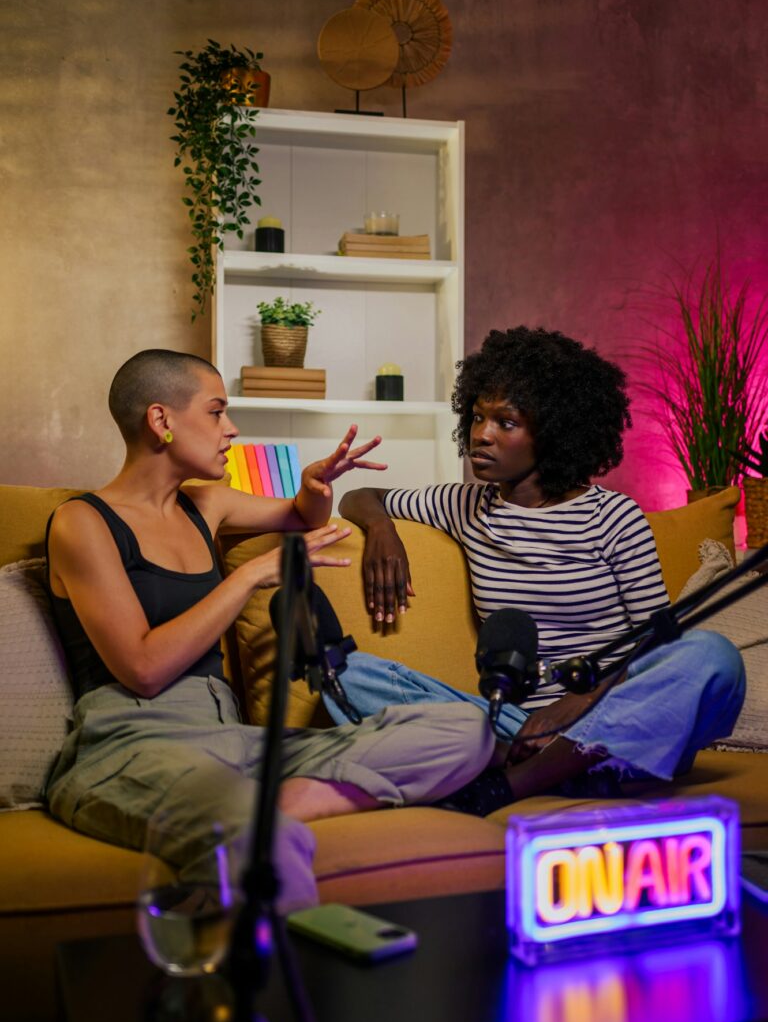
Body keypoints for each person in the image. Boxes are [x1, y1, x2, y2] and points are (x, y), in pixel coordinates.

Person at [44, 349, 494, 911]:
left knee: (468, 730)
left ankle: (271, 805)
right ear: (161, 422)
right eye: (215, 412)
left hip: (233, 742)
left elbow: (301, 517)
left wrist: (315, 486)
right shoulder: (82, 523)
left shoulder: (204, 505)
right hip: (134, 743)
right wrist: (253, 575)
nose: (230, 429)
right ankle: (258, 838)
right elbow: (144, 669)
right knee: (264, 845)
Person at [326, 327, 746, 809]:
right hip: (515, 725)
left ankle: (515, 783)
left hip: (612, 717)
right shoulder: (465, 505)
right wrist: (382, 530)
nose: (481, 434)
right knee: (352, 675)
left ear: (554, 432)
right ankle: (553, 769)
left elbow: (655, 644)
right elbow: (359, 496)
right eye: (478, 416)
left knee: (713, 656)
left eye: (506, 422)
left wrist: (583, 700)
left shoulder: (613, 518)